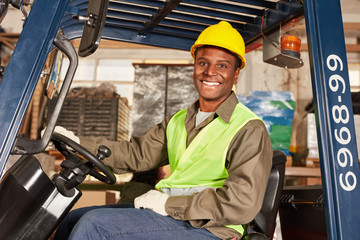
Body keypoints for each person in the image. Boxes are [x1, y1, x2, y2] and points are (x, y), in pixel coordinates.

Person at [53, 21, 272, 240]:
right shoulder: (179, 121)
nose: (210, 72)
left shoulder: (248, 128)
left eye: (222, 66)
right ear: (194, 67)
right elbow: (135, 154)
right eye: (203, 63)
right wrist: (79, 143)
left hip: (212, 229)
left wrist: (169, 205)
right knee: (73, 219)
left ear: (235, 74)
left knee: (95, 226)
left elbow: (242, 202)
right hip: (173, 218)